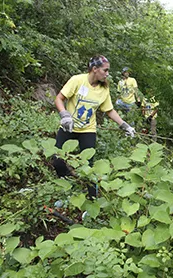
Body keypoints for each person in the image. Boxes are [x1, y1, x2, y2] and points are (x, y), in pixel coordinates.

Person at [53, 55, 135, 197]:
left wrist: (125, 125)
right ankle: (66, 189)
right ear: (94, 69)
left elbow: (109, 110)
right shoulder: (77, 81)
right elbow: (59, 98)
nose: (107, 74)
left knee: (88, 167)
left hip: (88, 131)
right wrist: (64, 115)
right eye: (105, 70)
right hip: (68, 127)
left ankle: (92, 199)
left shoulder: (104, 89)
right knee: (58, 161)